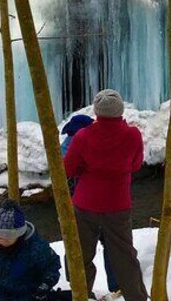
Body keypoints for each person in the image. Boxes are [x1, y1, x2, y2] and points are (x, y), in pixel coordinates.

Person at [63, 89, 148, 300]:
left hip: (85, 203)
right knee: (124, 255)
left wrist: (86, 168)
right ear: (120, 110)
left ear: (97, 111)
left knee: (79, 254)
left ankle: (81, 294)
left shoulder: (83, 136)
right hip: (117, 203)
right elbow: (136, 164)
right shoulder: (132, 134)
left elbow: (68, 168)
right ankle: (136, 297)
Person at [60, 114, 119, 298]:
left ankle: (79, 286)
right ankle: (115, 285)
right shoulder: (83, 146)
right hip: (90, 204)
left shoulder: (65, 147)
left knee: (76, 245)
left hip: (74, 206)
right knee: (108, 242)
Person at [0, 199, 68, 300]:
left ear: (20, 233)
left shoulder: (36, 248)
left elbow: (52, 266)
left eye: (7, 234)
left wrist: (46, 284)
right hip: (3, 295)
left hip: (33, 294)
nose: (1, 238)